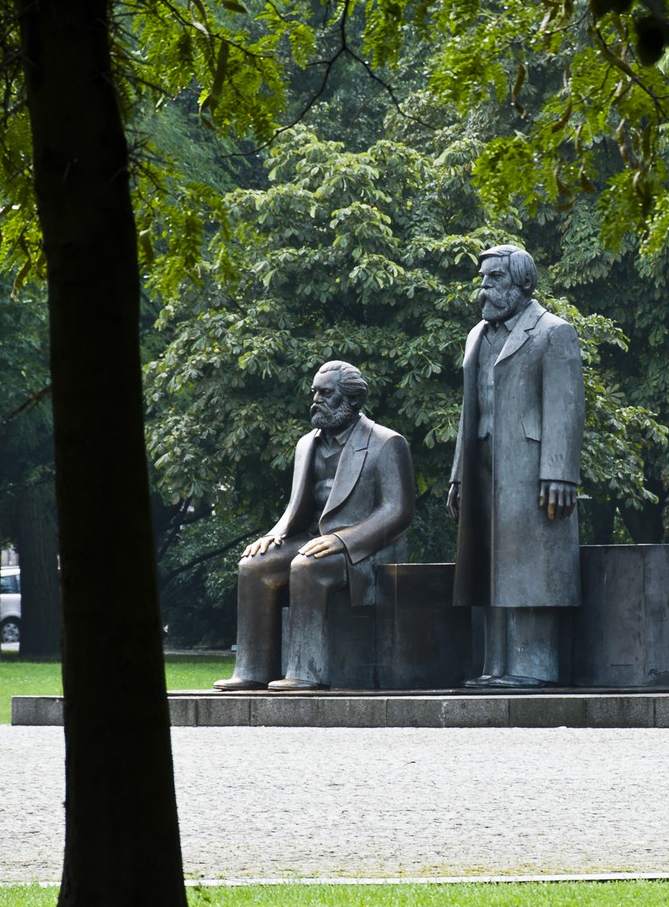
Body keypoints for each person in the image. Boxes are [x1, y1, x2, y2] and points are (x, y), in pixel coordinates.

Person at [214, 361, 414, 691]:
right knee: (253, 566)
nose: (316, 400)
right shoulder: (306, 444)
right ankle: (252, 670)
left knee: (307, 567)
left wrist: (344, 540)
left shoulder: (387, 442)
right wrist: (275, 534)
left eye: (326, 393)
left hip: (368, 550)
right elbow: (298, 508)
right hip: (315, 540)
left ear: (352, 400)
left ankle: (305, 672)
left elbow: (398, 511)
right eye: (314, 393)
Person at [447, 245, 584, 686]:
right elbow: (468, 412)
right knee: (490, 565)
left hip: (531, 468)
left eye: (495, 280)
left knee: (529, 566)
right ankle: (497, 667)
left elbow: (565, 406)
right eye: (482, 280)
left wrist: (560, 471)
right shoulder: (476, 336)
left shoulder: (553, 332)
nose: (484, 290)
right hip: (483, 465)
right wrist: (457, 476)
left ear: (523, 284)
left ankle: (534, 667)